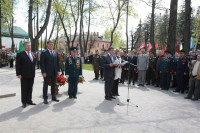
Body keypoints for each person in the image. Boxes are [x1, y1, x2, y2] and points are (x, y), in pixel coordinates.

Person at [16, 42, 36, 108]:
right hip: (24, 75)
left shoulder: (33, 54)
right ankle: (24, 102)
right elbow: (17, 65)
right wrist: (18, 74)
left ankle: (29, 100)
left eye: (29, 45)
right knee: (24, 89)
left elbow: (33, 63)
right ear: (24, 47)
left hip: (32, 74)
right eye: (27, 46)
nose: (29, 47)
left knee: (30, 88)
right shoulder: (20, 54)